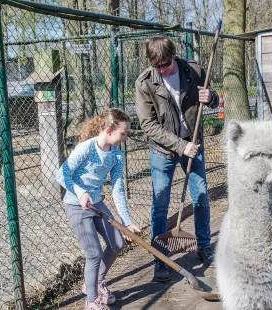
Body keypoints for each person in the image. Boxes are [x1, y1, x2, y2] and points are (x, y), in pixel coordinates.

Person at [135, 35, 219, 282]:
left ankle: (204, 246)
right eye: (157, 66)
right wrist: (181, 146)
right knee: (160, 203)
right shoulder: (145, 83)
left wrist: (211, 97)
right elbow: (148, 125)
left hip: (195, 143)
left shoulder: (193, 70)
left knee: (201, 196)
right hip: (164, 151)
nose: (163, 69)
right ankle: (160, 258)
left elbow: (211, 99)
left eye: (166, 64)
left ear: (174, 54)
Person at [56, 108, 141, 310]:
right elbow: (61, 174)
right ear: (110, 131)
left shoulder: (117, 157)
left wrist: (127, 222)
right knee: (93, 253)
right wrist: (80, 192)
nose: (126, 138)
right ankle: (92, 301)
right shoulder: (86, 148)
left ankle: (94, 283)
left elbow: (118, 190)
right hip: (77, 205)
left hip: (97, 204)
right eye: (124, 133)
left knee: (117, 243)